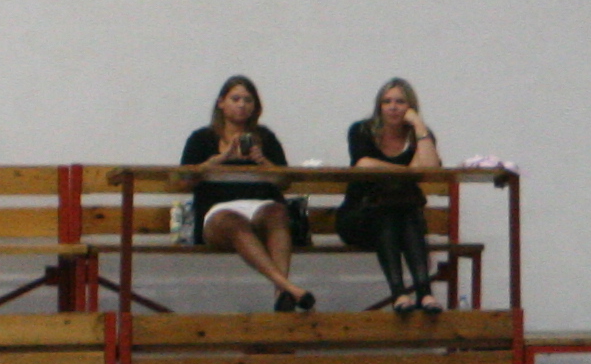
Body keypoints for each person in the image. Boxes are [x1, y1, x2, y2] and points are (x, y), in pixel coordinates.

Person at [181, 75, 311, 312]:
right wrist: (221, 158)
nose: (242, 105)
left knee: (277, 212)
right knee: (234, 222)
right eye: (235, 99)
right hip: (218, 211)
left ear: (255, 106)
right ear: (221, 103)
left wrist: (264, 162)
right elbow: (185, 180)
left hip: (260, 206)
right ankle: (287, 288)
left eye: (248, 100)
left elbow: (284, 181)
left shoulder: (265, 137)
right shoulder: (202, 138)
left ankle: (283, 294)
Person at [338, 78, 444, 313]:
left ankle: (423, 294)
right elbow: (364, 164)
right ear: (379, 106)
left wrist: (419, 125)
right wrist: (409, 172)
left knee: (405, 214)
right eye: (387, 102)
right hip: (360, 216)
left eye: (400, 102)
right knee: (389, 214)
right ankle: (401, 293)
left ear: (411, 106)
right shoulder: (362, 130)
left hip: (404, 218)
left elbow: (430, 168)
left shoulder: (420, 135)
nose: (393, 107)